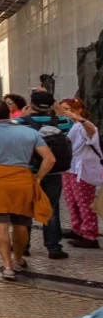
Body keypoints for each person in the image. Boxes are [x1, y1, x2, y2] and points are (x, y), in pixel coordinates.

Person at [0, 99, 55, 280]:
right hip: (22, 179)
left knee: (0, 223)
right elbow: (50, 159)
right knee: (21, 223)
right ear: (9, 112)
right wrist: (39, 177)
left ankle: (7, 265)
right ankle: (18, 259)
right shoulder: (29, 132)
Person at [17, 91, 72, 260]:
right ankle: (54, 248)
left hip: (29, 171)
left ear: (30, 104)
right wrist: (53, 102)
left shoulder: (20, 123)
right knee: (52, 209)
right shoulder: (63, 122)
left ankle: (23, 245)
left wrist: (24, 115)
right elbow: (66, 116)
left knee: (25, 209)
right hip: (53, 171)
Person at [58, 98, 101, 250]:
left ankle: (90, 236)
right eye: (62, 109)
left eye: (67, 109)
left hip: (82, 170)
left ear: (78, 110)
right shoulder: (71, 125)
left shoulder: (84, 125)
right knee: (72, 201)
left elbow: (92, 132)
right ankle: (78, 229)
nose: (64, 112)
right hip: (69, 168)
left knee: (84, 202)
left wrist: (81, 120)